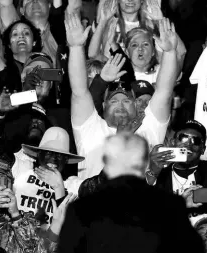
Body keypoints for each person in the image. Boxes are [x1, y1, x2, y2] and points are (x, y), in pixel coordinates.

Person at [48, 132, 206, 253]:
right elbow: (195, 251)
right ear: (144, 163)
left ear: (106, 162)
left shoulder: (82, 209)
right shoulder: (168, 204)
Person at [66, 10, 178, 180]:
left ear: (135, 105)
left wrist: (170, 53)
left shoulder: (148, 128)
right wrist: (75, 47)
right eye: (114, 100)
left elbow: (164, 92)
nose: (120, 104)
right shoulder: (90, 128)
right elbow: (79, 92)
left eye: (126, 100)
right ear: (103, 106)